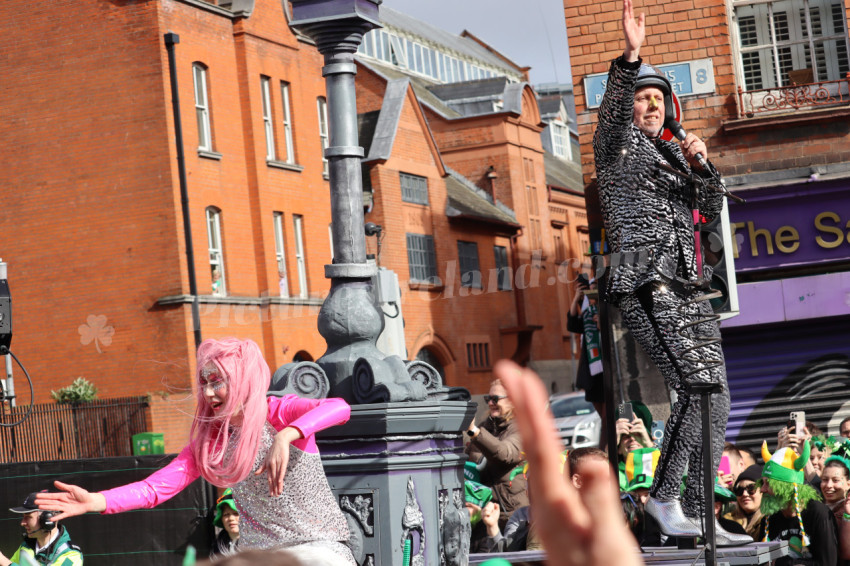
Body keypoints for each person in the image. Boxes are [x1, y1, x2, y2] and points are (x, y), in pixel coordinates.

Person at [593, 0, 743, 544]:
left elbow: (713, 199)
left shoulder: (675, 154)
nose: (649, 106)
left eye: (657, 99)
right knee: (696, 387)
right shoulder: (616, 148)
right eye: (641, 99)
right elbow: (611, 113)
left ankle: (699, 513)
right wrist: (630, 56)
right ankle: (664, 500)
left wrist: (702, 162)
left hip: (688, 286)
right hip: (645, 280)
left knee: (717, 395)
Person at [36, 338, 355, 565]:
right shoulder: (211, 441)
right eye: (204, 382)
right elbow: (153, 489)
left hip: (317, 551)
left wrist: (287, 435)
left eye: (218, 381)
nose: (208, 392)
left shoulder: (279, 412)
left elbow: (339, 407)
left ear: (243, 380)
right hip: (259, 557)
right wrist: (96, 501)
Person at [496, 359, 645, 566]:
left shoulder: (620, 510)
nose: (607, 483)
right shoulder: (541, 523)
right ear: (576, 480)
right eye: (597, 476)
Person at [759, 441, 839, 566]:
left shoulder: (818, 513)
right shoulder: (769, 518)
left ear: (786, 487)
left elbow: (828, 563)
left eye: (768, 483)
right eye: (762, 483)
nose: (762, 489)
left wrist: (785, 563)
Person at [466, 379, 529, 528]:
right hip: (486, 514)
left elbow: (504, 453)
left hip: (515, 515)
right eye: (488, 399)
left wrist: (473, 431)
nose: (490, 403)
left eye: (495, 399)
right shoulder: (484, 427)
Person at [567, 276, 607, 449]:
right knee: (602, 414)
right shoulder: (589, 314)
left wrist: (603, 326)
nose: (592, 290)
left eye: (595, 286)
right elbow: (572, 325)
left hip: (607, 372)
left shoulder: (608, 310)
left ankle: (605, 447)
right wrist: (577, 297)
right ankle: (605, 447)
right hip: (592, 372)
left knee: (608, 417)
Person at [0, 491, 83, 566]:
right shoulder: (27, 546)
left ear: (48, 519)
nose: (23, 523)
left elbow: (8, 563)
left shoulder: (71, 555)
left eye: (28, 517)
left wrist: (4, 561)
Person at [723, 464, 765, 539]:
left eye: (751, 488)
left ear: (763, 491)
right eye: (739, 490)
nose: (744, 494)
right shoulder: (727, 519)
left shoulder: (770, 521)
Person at [211, 488, 240, 558]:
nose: (231, 518)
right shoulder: (218, 544)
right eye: (226, 514)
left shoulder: (258, 544)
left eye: (236, 513)